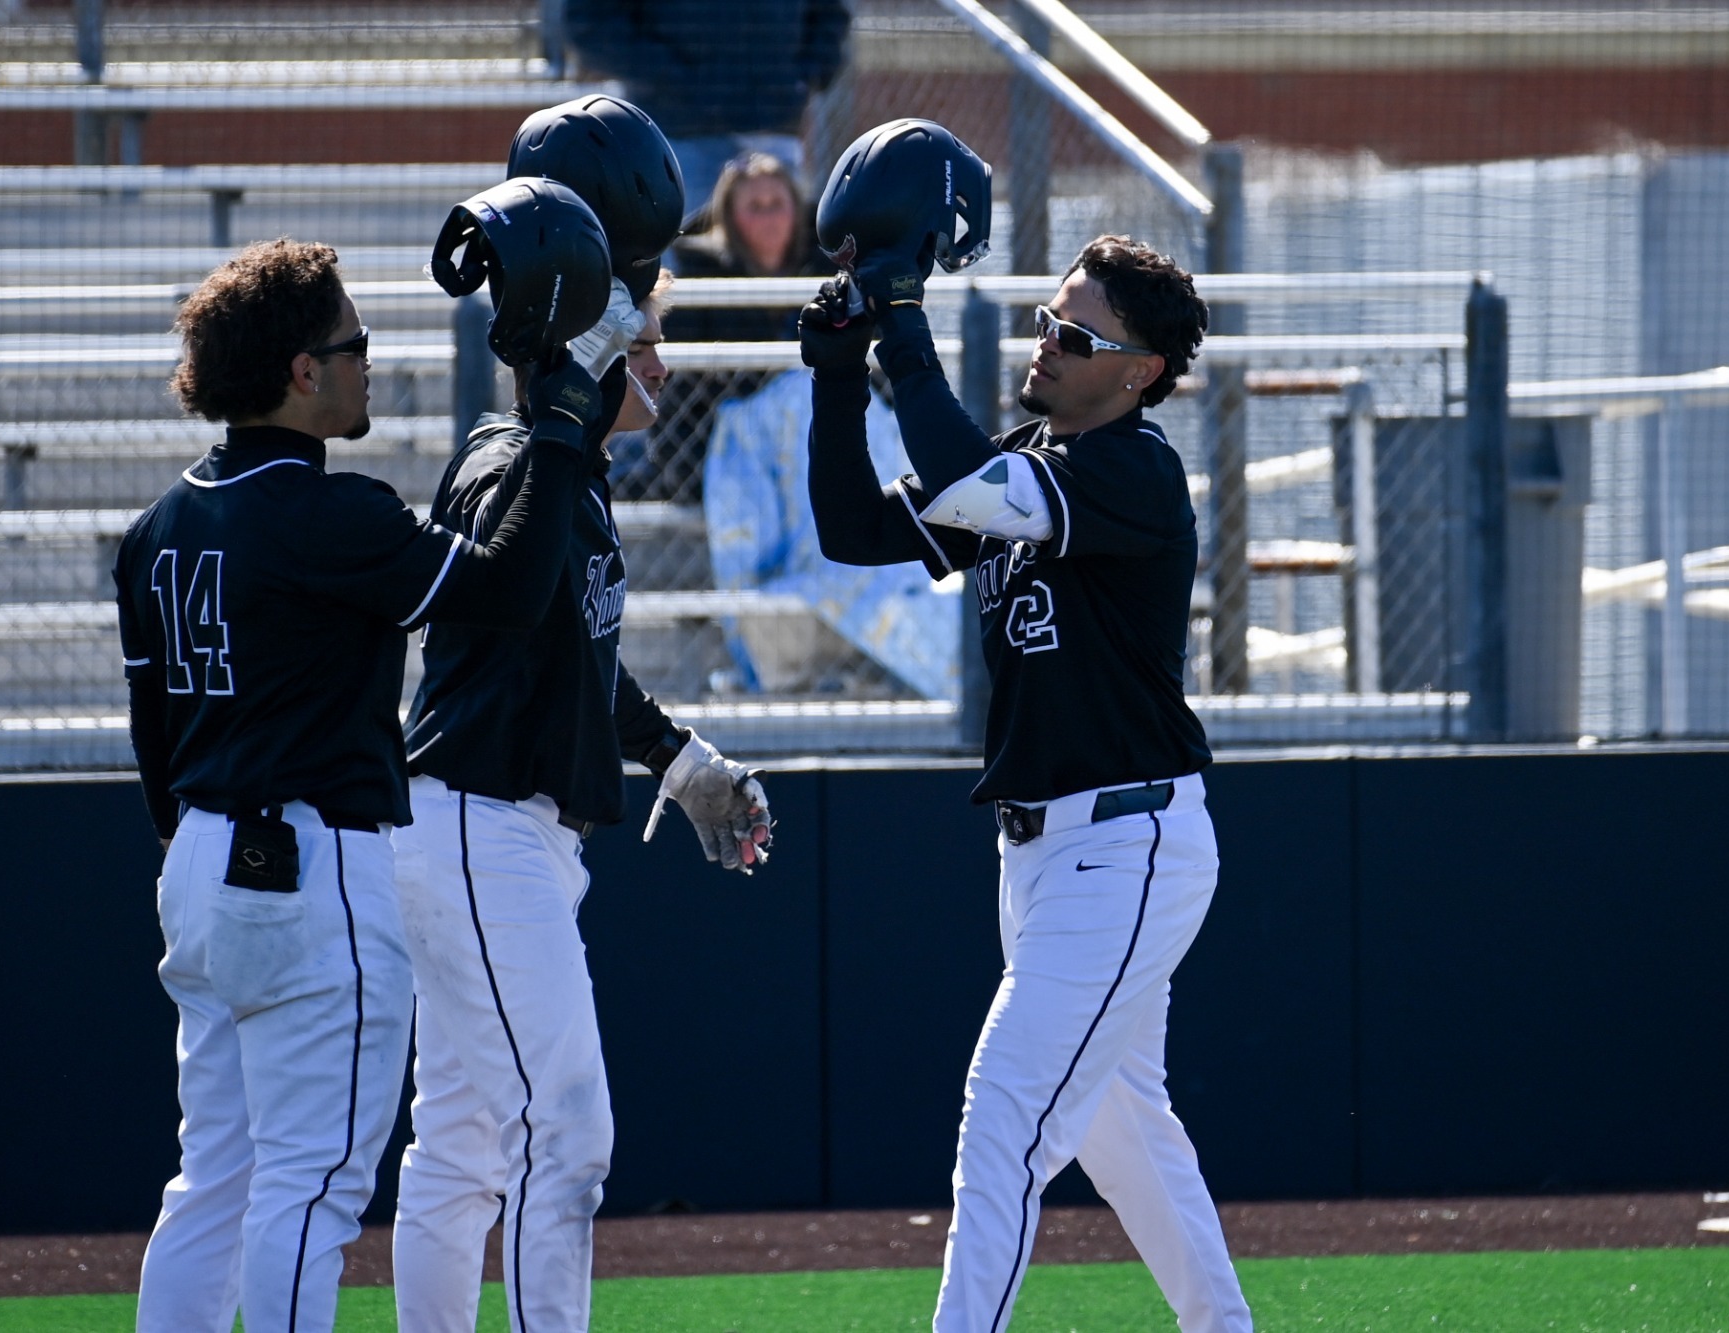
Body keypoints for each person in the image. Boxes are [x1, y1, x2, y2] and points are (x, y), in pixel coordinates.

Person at [117, 202, 616, 1333]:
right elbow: (504, 589)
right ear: (300, 372)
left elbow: (152, 732)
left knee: (213, 1183)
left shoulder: (158, 525)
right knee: (312, 1187)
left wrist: (198, 846)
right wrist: (556, 422)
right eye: (352, 349)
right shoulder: (327, 511)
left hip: (199, 861)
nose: (366, 367)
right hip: (312, 864)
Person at [799, 122, 1254, 1333]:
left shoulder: (1134, 470)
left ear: (1140, 371)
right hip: (1046, 853)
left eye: (1074, 337)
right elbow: (853, 529)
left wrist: (897, 317)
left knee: (1002, 1111)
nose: (1043, 346)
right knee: (1123, 1130)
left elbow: (950, 473)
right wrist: (838, 376)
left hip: (1129, 838)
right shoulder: (1032, 454)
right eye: (1046, 322)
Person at [388, 103, 774, 1333]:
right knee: (570, 1130)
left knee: (461, 1138)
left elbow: (578, 662)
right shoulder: (518, 459)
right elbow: (503, 598)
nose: (654, 357)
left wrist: (678, 755)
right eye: (637, 336)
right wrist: (567, 384)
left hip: (496, 829)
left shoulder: (563, 475)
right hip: (479, 823)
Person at [638, 152, 832, 503]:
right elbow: (678, 396)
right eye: (755, 207)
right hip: (729, 449)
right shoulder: (700, 278)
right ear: (729, 215)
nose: (769, 217)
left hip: (816, 442)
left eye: (777, 204)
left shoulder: (829, 274)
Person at [563, 0, 850, 221]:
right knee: (685, 275)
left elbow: (830, 15)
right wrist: (672, 78)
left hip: (774, 127)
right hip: (679, 138)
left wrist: (802, 78)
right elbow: (589, 22)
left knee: (782, 273)